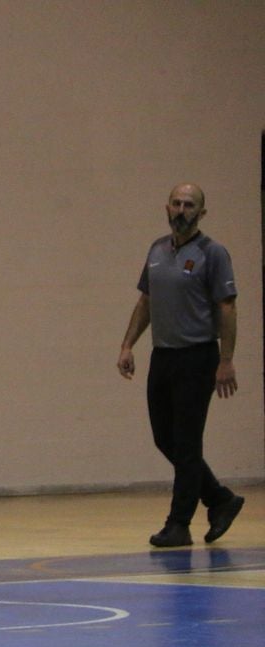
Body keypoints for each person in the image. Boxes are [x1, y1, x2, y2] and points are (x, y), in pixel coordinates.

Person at [117, 183, 243, 548]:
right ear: (166, 207)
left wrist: (226, 360)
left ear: (201, 213)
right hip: (163, 356)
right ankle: (220, 498)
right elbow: (145, 301)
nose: (181, 209)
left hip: (197, 356)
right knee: (165, 438)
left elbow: (227, 308)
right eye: (176, 203)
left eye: (190, 205)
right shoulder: (156, 249)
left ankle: (179, 524)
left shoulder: (213, 253)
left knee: (187, 443)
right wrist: (127, 344)